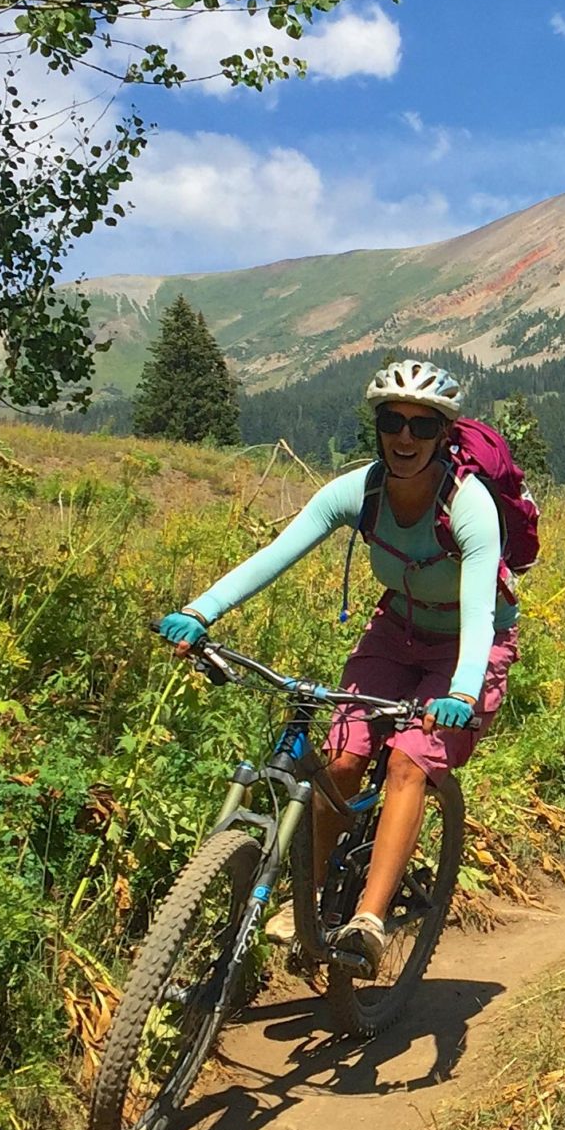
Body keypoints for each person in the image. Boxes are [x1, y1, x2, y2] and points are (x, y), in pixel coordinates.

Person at [155, 359, 518, 975]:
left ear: (444, 435)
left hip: (467, 649)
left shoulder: (470, 505)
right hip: (393, 632)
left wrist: (460, 690)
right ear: (377, 426)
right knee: (342, 759)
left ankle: (368, 923)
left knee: (409, 758)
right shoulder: (359, 491)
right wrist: (202, 609)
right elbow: (275, 554)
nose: (405, 438)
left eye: (422, 427)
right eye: (392, 421)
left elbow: (481, 610)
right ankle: (309, 899)